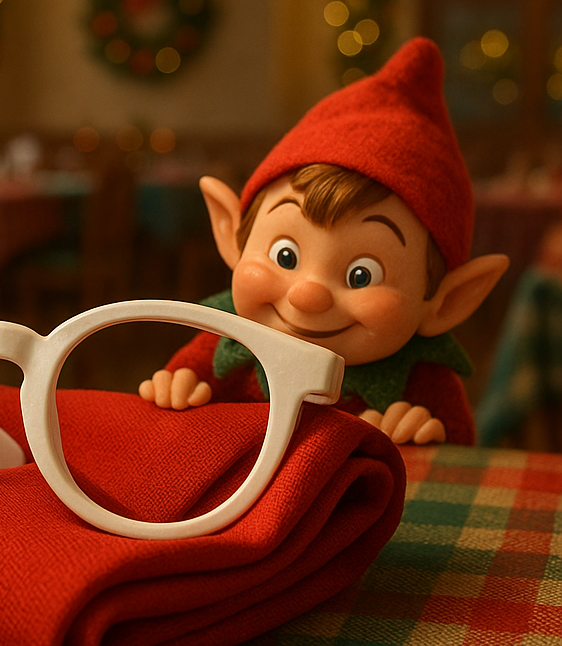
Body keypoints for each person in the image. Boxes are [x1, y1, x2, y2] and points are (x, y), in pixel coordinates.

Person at [139, 37, 508, 445]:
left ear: (448, 301)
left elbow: (464, 476)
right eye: (285, 256)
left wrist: (426, 441)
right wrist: (173, 396)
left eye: (361, 275)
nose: (308, 296)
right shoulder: (225, 345)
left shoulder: (423, 380)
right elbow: (163, 425)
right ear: (232, 234)